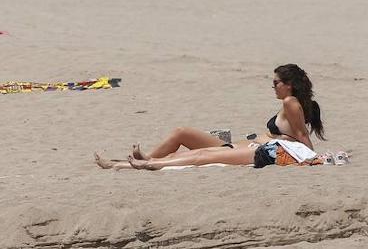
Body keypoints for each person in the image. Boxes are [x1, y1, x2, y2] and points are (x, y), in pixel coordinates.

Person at [95, 64, 325, 170]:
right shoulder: (290, 103)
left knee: (201, 155)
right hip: (241, 145)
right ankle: (137, 161)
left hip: (257, 149)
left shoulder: (290, 102)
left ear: (289, 85)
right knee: (182, 133)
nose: (272, 86)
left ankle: (142, 164)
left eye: (276, 83)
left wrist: (313, 158)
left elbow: (302, 137)